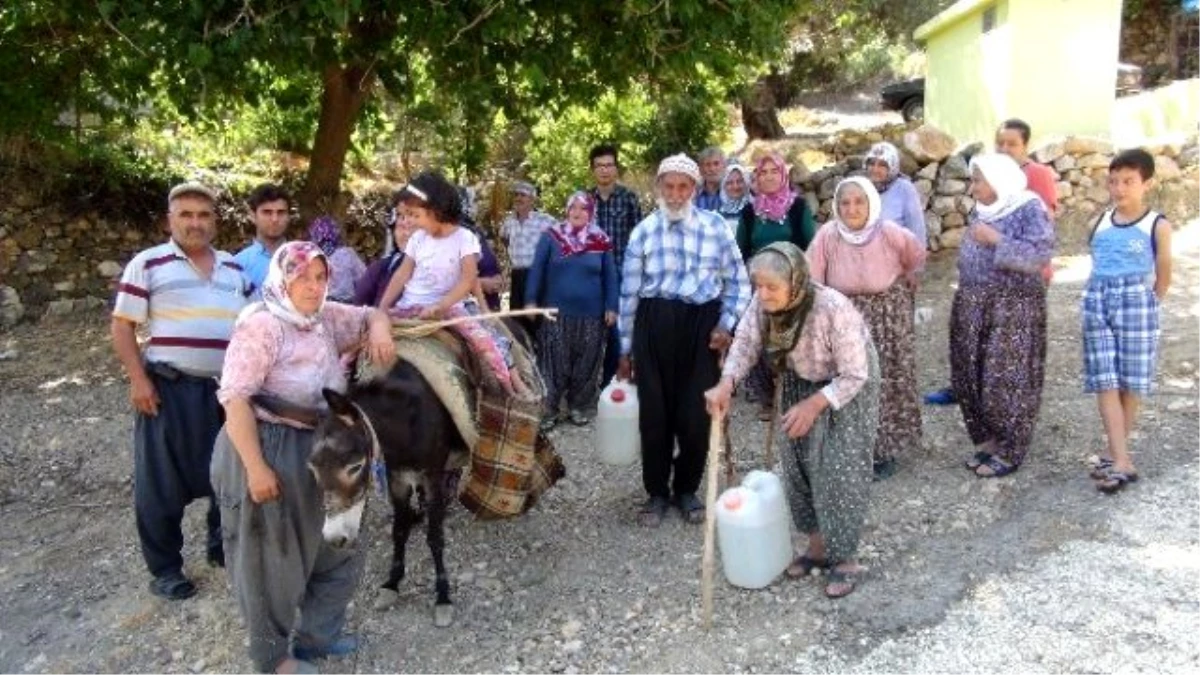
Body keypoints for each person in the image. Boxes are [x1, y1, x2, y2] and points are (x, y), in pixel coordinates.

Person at [212, 241, 396, 674]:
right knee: (271, 554)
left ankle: (319, 636)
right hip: (271, 443)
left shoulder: (324, 317)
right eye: (301, 277)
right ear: (281, 278)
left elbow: (371, 314)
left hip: (327, 442)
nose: (313, 287)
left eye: (320, 277)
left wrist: (381, 329)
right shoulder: (262, 326)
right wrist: (257, 469)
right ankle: (273, 658)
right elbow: (235, 399)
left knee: (339, 542)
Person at [705, 242, 879, 599]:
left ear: (795, 283)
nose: (763, 294)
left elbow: (855, 373)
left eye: (772, 287)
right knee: (797, 464)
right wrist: (726, 383)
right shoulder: (762, 303)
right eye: (758, 286)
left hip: (843, 384)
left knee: (837, 467)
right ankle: (816, 549)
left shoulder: (832, 307)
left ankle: (844, 558)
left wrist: (815, 405)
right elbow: (746, 344)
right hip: (800, 378)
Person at [110, 182, 248, 601]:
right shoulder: (148, 263)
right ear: (169, 220)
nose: (195, 223)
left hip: (226, 392)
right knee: (160, 483)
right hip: (169, 389)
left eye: (203, 215)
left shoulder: (234, 269)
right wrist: (138, 379)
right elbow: (122, 325)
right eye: (185, 215)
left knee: (226, 472)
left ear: (215, 221)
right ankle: (166, 569)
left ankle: (220, 546)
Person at [617, 153, 751, 527]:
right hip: (653, 323)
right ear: (659, 187)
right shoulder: (643, 231)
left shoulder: (716, 227)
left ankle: (687, 489)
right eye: (669, 186)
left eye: (683, 186)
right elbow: (628, 295)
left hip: (701, 327)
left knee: (696, 415)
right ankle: (657, 492)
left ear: (694, 189)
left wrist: (725, 325)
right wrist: (625, 348)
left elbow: (739, 283)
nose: (675, 194)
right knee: (654, 415)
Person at [926, 119, 1059, 406]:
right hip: (981, 287)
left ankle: (1004, 409)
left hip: (1018, 280)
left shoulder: (1035, 178)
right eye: (1000, 142)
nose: (1004, 148)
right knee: (974, 342)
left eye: (1012, 143)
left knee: (1008, 350)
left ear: (1026, 146)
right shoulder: (986, 173)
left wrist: (1002, 240)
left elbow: (1042, 232)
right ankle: (968, 390)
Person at [807, 177, 926, 480]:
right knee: (850, 380)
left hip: (886, 316)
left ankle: (884, 450)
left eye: (859, 201)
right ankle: (853, 448)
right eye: (845, 202)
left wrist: (908, 276)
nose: (852, 208)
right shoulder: (828, 236)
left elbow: (915, 255)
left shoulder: (888, 231)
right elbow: (814, 277)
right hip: (845, 317)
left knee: (886, 380)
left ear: (871, 202)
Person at [379, 171, 530, 397]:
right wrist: (383, 308)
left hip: (452, 307)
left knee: (489, 345)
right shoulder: (418, 239)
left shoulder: (464, 238)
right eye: (406, 215)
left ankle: (515, 388)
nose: (408, 222)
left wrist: (442, 305)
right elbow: (402, 274)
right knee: (365, 337)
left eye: (414, 215)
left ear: (435, 210)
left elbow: (468, 279)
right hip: (411, 306)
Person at [954, 154, 1055, 478]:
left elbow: (1040, 254)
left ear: (998, 179)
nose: (972, 189)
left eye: (978, 180)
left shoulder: (1028, 206)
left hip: (1013, 308)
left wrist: (997, 240)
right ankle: (990, 441)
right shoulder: (982, 209)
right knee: (975, 376)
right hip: (974, 303)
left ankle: (1011, 448)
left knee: (1006, 379)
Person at [1083, 149, 1173, 493]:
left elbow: (1164, 276)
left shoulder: (1157, 225)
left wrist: (1149, 304)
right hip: (1098, 303)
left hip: (1138, 305)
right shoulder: (1099, 221)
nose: (1119, 188)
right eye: (1114, 181)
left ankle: (1116, 453)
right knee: (1106, 381)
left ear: (1146, 184)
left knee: (1129, 383)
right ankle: (1122, 461)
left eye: (1128, 181)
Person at [525, 191, 619, 429]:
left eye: (583, 209)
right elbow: (536, 270)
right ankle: (549, 410)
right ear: (567, 211)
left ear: (591, 212)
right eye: (573, 208)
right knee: (552, 362)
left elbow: (610, 276)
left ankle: (579, 406)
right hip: (556, 313)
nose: (577, 213)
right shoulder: (551, 237)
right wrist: (530, 301)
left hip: (592, 315)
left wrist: (611, 306)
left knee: (587, 363)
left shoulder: (601, 240)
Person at [737, 152, 818, 419]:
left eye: (774, 171)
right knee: (760, 340)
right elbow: (740, 250)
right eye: (763, 172)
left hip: (792, 285)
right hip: (760, 287)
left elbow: (812, 246)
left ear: (783, 175)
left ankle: (796, 394)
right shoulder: (750, 212)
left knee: (794, 339)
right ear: (756, 178)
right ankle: (768, 399)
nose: (769, 176)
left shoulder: (798, 208)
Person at [589, 144, 644, 385]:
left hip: (622, 272)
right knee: (591, 329)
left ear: (616, 168)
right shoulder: (584, 200)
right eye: (599, 166)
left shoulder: (628, 198)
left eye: (609, 165)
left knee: (618, 330)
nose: (605, 170)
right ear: (592, 170)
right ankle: (585, 385)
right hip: (591, 274)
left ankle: (612, 381)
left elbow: (639, 237)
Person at [500, 181, 555, 329]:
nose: (518, 198)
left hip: (537, 274)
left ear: (532, 199)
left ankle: (541, 350)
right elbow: (504, 239)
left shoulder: (544, 220)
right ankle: (523, 350)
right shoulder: (508, 222)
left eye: (523, 195)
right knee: (517, 318)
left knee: (537, 318)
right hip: (517, 274)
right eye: (516, 195)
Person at [352, 189, 417, 307]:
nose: (406, 231)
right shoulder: (381, 270)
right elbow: (356, 314)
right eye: (400, 218)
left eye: (412, 217)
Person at [864, 142, 928, 245]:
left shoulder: (904, 189)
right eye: (871, 163)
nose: (875, 169)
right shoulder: (862, 187)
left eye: (882, 165)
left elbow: (917, 230)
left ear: (892, 167)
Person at [234, 183, 291, 300]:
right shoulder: (239, 264)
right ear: (253, 216)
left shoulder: (304, 259)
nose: (275, 219)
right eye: (267, 212)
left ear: (288, 216)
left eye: (281, 212)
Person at [307, 216, 366, 303]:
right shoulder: (347, 254)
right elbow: (364, 279)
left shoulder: (312, 258)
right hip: (348, 305)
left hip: (323, 306)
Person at [717, 164, 753, 238]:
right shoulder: (718, 212)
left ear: (746, 183)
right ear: (723, 186)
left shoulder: (754, 208)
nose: (735, 186)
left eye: (739, 181)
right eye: (729, 183)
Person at [695, 146, 726, 211]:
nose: (712, 169)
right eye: (707, 165)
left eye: (716, 164)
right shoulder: (693, 193)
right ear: (701, 169)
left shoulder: (732, 191)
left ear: (724, 166)